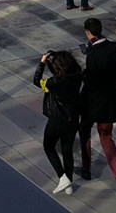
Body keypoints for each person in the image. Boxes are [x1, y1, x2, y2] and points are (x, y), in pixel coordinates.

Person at [78, 18, 116, 195]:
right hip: (112, 102)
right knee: (106, 138)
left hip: (93, 102)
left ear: (88, 32)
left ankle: (86, 169)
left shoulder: (93, 54)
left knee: (84, 131)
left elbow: (92, 80)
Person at [34, 49, 83, 195]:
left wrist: (42, 63)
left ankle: (62, 177)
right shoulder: (77, 75)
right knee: (67, 150)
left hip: (56, 120)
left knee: (48, 147)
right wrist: (52, 60)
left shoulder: (53, 83)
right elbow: (62, 72)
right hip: (72, 119)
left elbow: (37, 81)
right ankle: (69, 185)